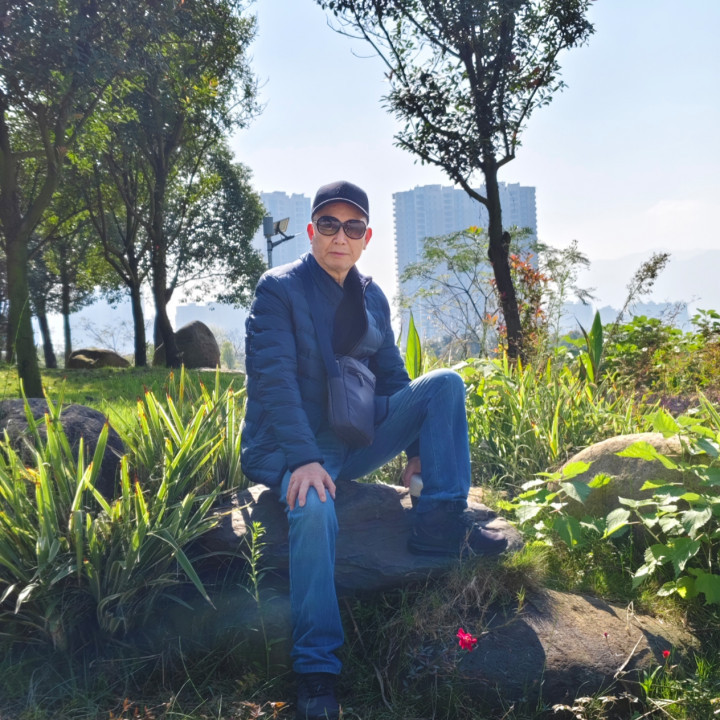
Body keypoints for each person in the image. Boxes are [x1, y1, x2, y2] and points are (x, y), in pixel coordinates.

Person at [241, 180, 506, 720]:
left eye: (353, 227)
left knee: (444, 384)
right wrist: (303, 460)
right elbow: (275, 383)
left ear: (367, 238)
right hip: (288, 445)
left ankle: (439, 523)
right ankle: (316, 669)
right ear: (311, 232)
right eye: (329, 225)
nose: (341, 236)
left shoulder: (373, 296)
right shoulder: (278, 290)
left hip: (350, 438)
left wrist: (415, 450)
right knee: (314, 511)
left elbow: (393, 380)